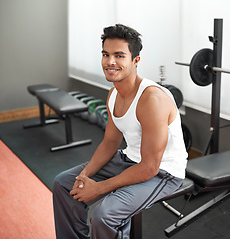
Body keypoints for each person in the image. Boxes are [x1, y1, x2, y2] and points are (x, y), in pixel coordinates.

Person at [53, 24, 188, 239]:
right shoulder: (113, 94)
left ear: (136, 60)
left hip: (163, 172)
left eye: (119, 55)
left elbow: (150, 166)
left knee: (103, 216)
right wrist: (84, 175)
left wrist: (98, 188)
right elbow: (109, 142)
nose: (110, 62)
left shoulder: (152, 100)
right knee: (64, 184)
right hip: (128, 159)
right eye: (106, 55)